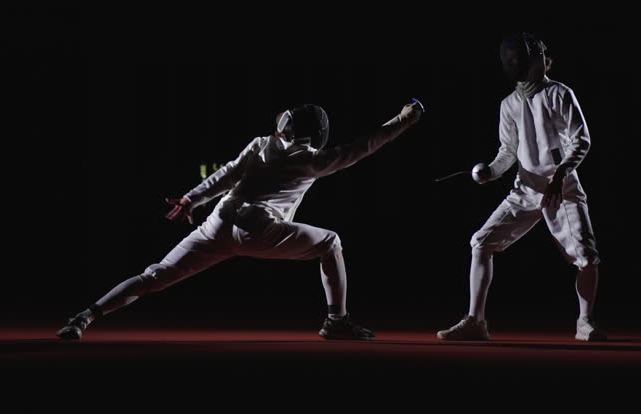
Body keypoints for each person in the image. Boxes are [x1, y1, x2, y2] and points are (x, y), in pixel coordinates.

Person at [56, 100, 424, 341]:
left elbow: (226, 174)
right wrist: (404, 119)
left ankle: (84, 317)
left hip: (218, 223)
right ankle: (336, 321)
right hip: (260, 231)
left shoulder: (261, 144)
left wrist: (191, 198)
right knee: (330, 242)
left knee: (156, 275)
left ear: (288, 126)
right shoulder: (314, 160)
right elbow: (365, 145)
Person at [438, 33, 605, 342]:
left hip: (562, 189)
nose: (513, 64)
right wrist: (490, 171)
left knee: (586, 255)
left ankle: (585, 321)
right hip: (525, 190)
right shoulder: (509, 105)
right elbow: (508, 152)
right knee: (481, 243)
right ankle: (475, 321)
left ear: (534, 59)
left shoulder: (559, 93)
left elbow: (581, 140)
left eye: (519, 58)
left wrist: (560, 174)